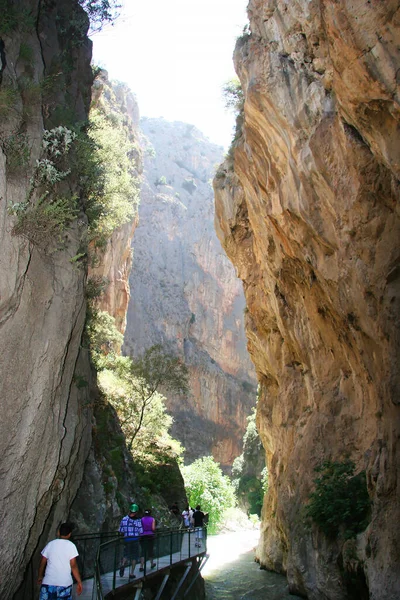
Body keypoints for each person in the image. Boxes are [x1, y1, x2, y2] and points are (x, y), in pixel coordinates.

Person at [37, 522, 82, 599]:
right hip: (64, 583)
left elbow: (42, 562)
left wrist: (40, 576)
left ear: (58, 532)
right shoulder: (71, 546)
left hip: (48, 582)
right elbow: (73, 566)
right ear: (69, 534)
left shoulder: (50, 544)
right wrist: (79, 581)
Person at [119, 503, 144, 579]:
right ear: (136, 512)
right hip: (135, 539)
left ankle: (123, 564)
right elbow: (141, 531)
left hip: (126, 539)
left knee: (126, 553)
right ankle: (131, 573)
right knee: (134, 557)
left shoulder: (124, 519)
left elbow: (121, 530)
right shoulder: (138, 521)